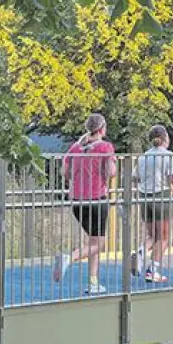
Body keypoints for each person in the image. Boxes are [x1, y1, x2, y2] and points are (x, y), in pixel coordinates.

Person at [54, 113, 118, 294]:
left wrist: (73, 182)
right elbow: (111, 172)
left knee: (92, 242)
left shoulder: (75, 147)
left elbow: (64, 171)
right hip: (97, 199)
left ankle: (93, 282)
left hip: (77, 200)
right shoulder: (106, 147)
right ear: (102, 129)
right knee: (99, 244)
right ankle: (69, 258)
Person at [132, 124, 173, 283]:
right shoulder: (169, 156)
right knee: (163, 237)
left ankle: (140, 252)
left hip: (144, 196)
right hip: (161, 195)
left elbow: (136, 177)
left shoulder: (143, 157)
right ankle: (152, 270)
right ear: (165, 139)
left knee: (152, 235)